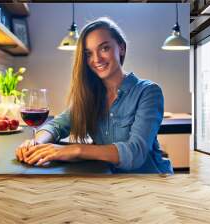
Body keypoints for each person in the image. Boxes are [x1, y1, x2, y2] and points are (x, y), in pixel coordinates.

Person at [15, 17, 173, 174]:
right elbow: (56, 125)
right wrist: (35, 143)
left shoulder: (149, 92)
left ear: (121, 48)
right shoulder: (89, 95)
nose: (96, 59)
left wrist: (77, 150)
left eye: (104, 48)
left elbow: (135, 153)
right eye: (88, 53)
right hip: (107, 179)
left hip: (150, 182)